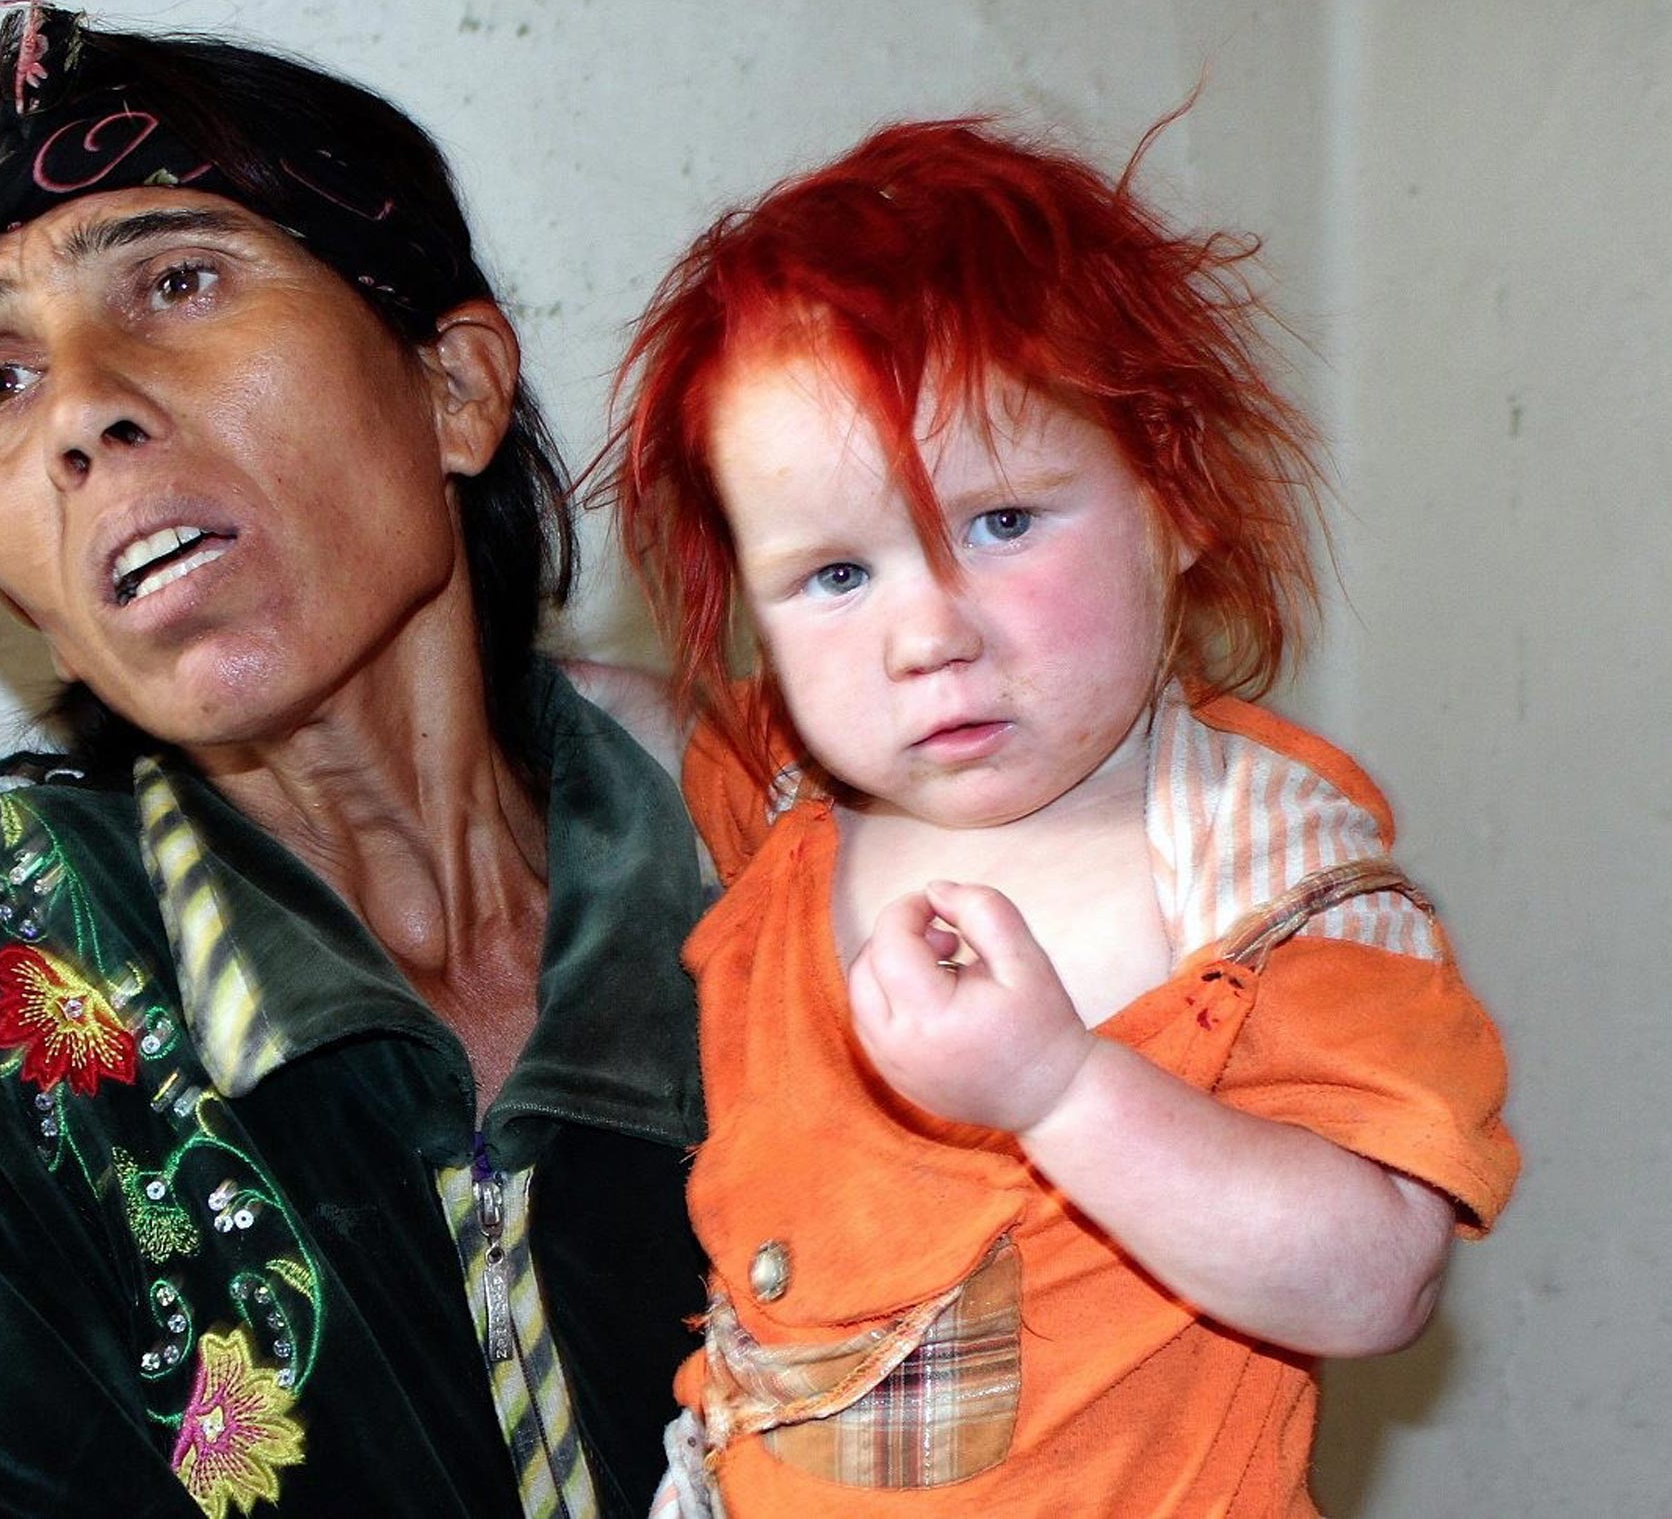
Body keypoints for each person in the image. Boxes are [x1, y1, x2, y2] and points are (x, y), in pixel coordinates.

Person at [0, 2, 705, 1517]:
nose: (83, 411)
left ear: (454, 389)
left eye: (176, 280)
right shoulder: (10, 934)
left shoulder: (784, 853)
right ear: (3, 563)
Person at [603, 118, 1519, 1515]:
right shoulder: (787, 791)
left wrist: (1059, 1089)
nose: (926, 635)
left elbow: (1377, 1279)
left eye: (1004, 523)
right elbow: (590, 722)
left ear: (1174, 491)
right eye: (836, 575)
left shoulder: (1271, 878)